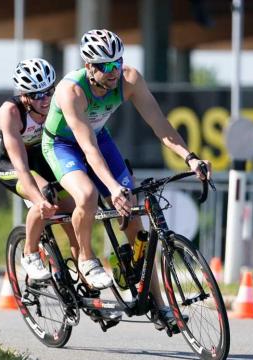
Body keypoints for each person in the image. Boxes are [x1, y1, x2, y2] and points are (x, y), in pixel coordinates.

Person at [42, 29, 211, 326]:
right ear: (88, 66)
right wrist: (112, 187)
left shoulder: (130, 80)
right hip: (64, 144)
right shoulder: (71, 91)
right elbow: (87, 149)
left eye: (117, 63)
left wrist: (191, 157)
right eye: (106, 66)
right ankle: (86, 258)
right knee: (86, 195)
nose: (113, 72)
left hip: (99, 138)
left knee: (134, 219)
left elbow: (161, 125)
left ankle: (158, 305)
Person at [0, 58, 79, 286]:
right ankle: (29, 254)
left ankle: (83, 283)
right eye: (38, 95)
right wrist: (37, 198)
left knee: (75, 214)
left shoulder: (57, 104)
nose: (46, 100)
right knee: (45, 197)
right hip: (11, 163)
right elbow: (20, 164)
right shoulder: (10, 112)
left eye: (49, 92)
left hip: (42, 159)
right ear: (24, 95)